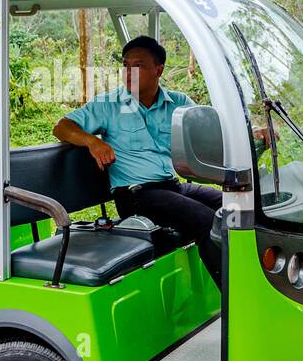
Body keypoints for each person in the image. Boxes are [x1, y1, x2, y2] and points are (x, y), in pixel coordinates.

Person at [53, 35, 227, 283]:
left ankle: (252, 283)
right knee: (207, 222)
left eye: (139, 65)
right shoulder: (109, 104)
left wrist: (253, 134)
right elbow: (62, 127)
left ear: (159, 69)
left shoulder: (178, 104)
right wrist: (92, 141)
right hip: (136, 195)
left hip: (172, 187)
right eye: (126, 65)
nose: (129, 72)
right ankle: (233, 302)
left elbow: (211, 131)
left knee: (232, 208)